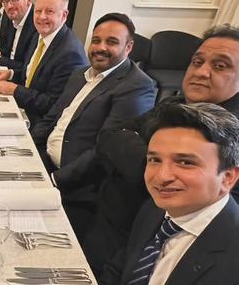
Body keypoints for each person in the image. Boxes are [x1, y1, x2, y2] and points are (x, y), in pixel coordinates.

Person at [83, 24, 239, 276]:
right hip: (124, 238)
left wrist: (138, 163)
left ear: (229, 176)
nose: (202, 72)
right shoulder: (175, 104)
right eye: (197, 62)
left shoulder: (231, 137)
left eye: (220, 66)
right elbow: (110, 136)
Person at [31, 13, 157, 240]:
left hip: (76, 188)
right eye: (96, 40)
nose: (100, 47)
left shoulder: (136, 87)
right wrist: (28, 147)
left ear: (128, 47)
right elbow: (52, 117)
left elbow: (105, 151)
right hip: (44, 161)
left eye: (112, 42)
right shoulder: (81, 74)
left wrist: (54, 180)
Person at [100, 102, 239, 285]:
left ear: (228, 177)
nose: (162, 176)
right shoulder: (153, 210)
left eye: (185, 163)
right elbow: (117, 273)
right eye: (154, 160)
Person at [0, 0, 88, 126]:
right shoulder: (40, 36)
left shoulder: (70, 54)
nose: (42, 17)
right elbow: (32, 76)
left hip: (37, 123)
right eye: (38, 11)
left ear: (64, 15)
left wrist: (15, 90)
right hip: (23, 109)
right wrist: (11, 74)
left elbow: (52, 105)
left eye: (49, 11)